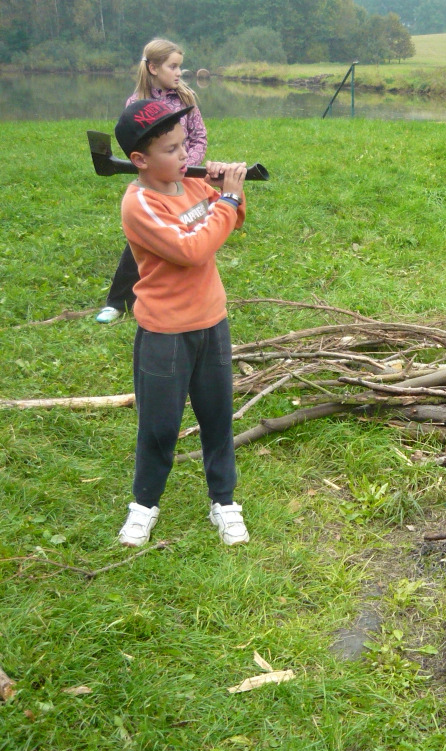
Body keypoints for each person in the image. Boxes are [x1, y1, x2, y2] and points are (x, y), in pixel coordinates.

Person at [112, 98, 250, 547]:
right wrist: (226, 199)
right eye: (171, 150)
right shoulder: (140, 204)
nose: (184, 156)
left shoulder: (191, 184)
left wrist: (227, 191)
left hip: (212, 322)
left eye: (183, 145)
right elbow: (193, 250)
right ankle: (144, 506)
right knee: (159, 426)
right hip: (165, 332)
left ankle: (224, 502)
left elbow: (232, 219)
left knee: (217, 417)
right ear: (140, 160)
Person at [96, 39, 208, 323]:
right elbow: (134, 146)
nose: (179, 72)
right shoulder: (135, 104)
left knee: (187, 229)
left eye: (180, 66)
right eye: (173, 66)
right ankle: (117, 301)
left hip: (183, 176)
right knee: (144, 237)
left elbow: (199, 137)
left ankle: (181, 292)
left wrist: (186, 164)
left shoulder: (186, 99)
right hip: (154, 184)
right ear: (154, 68)